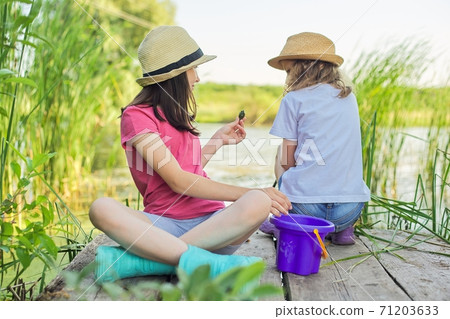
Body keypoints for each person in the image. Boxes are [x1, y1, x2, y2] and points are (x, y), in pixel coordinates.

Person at [89, 26, 291, 283]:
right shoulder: (137, 116)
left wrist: (217, 141)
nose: (198, 78)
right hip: (161, 226)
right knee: (101, 208)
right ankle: (199, 261)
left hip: (212, 227)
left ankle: (146, 262)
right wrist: (251, 192)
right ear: (177, 74)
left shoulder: (178, 116)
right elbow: (178, 181)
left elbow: (189, 171)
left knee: (260, 205)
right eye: (194, 69)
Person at [259, 32, 370, 245]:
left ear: (306, 68)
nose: (288, 76)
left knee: (281, 152)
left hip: (305, 209)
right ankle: (343, 230)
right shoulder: (348, 97)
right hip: (350, 209)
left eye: (290, 70)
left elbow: (287, 161)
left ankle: (285, 223)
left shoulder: (293, 99)